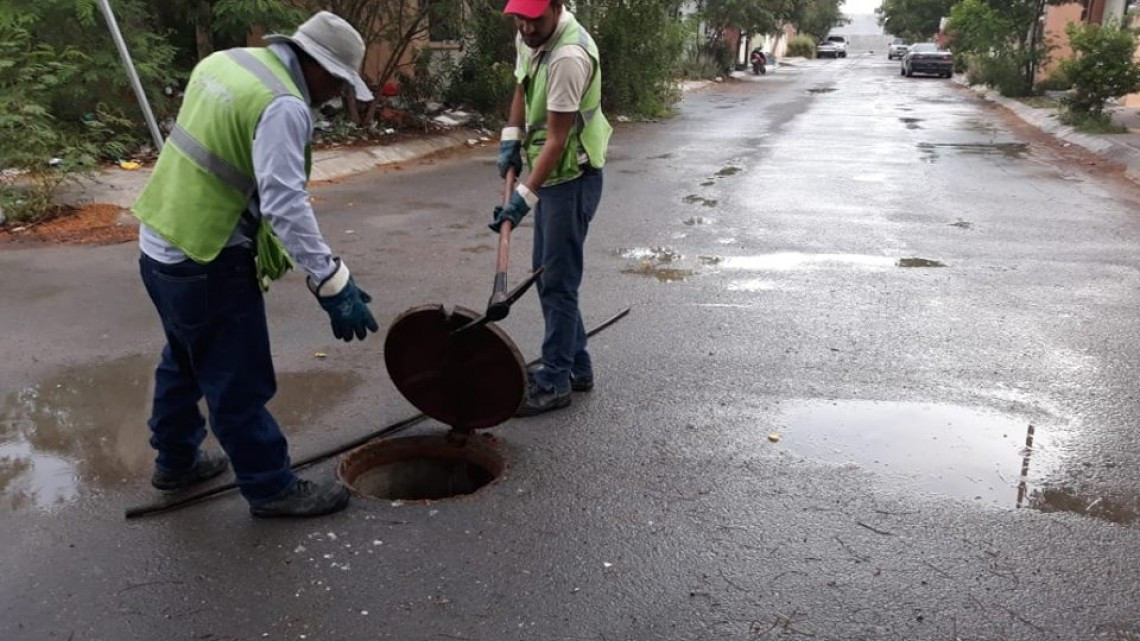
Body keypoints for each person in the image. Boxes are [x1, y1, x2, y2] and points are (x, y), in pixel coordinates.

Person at [132, 11, 379, 518]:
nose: (335, 94)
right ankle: (270, 487)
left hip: (158, 242)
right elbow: (285, 204)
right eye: (336, 81)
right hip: (207, 254)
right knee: (236, 374)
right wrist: (333, 281)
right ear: (314, 64)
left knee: (184, 357)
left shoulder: (227, 63)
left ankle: (175, 462)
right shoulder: (284, 105)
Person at [493, 0, 613, 416]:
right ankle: (578, 367)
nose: (525, 27)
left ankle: (556, 380)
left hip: (573, 178)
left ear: (557, 7)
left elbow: (559, 138)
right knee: (549, 278)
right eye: (518, 17)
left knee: (558, 282)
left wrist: (520, 200)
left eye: (534, 18)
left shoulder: (567, 56)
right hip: (550, 172)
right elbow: (522, 87)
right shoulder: (530, 35)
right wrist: (511, 139)